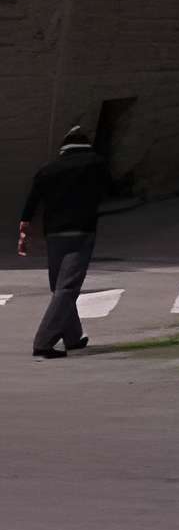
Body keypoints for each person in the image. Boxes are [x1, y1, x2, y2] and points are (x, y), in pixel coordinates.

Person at [19, 125, 118, 360]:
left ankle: (72, 337)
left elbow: (32, 201)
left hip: (53, 234)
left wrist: (24, 227)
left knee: (60, 286)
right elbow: (112, 189)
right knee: (68, 287)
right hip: (81, 231)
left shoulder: (47, 170)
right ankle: (43, 341)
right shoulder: (95, 163)